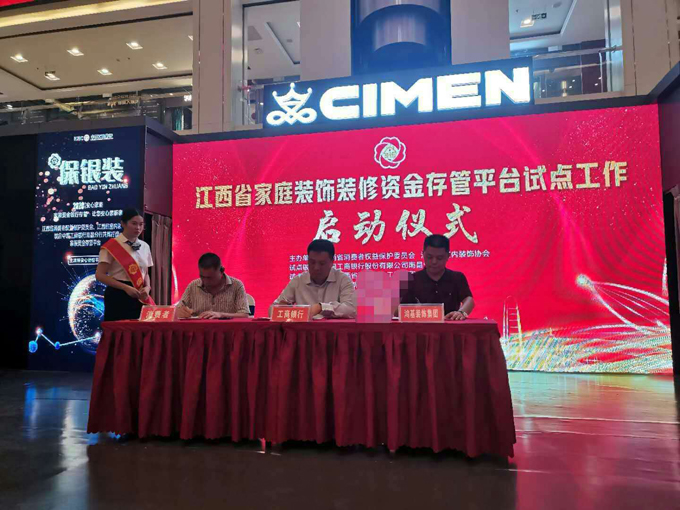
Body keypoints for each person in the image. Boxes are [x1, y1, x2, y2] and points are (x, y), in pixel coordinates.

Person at [270, 239, 356, 318]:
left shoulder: (343, 280)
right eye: (312, 262)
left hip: (333, 330)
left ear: (332, 262)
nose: (316, 268)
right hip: (304, 330)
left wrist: (321, 307)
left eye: (322, 263)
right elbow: (272, 310)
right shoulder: (298, 281)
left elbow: (352, 309)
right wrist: (283, 308)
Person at [96, 208, 154, 322]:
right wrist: (125, 287)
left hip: (139, 295)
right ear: (123, 224)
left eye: (141, 224)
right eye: (134, 223)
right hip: (117, 294)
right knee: (118, 330)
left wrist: (147, 287)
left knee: (140, 329)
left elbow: (145, 273)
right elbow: (100, 275)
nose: (138, 228)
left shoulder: (145, 246)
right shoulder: (111, 246)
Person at [400, 234, 475, 321]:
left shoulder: (457, 277)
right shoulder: (411, 280)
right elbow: (396, 309)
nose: (434, 262)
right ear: (423, 254)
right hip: (418, 327)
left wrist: (462, 312)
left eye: (439, 258)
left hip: (451, 327)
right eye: (429, 257)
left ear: (448, 256)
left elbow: (468, 299)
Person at [176, 253, 250, 319]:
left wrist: (221, 315)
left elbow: (244, 315)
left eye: (210, 278)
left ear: (221, 271)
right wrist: (180, 312)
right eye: (202, 277)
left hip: (228, 329)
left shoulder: (236, 285)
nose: (205, 281)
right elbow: (177, 310)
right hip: (198, 329)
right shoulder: (193, 286)